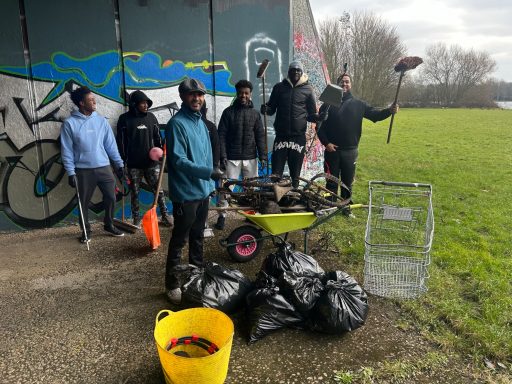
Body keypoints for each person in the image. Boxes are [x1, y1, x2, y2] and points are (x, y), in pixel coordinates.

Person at [164, 78, 222, 304]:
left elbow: (207, 157)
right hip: (186, 195)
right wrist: (209, 172)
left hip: (202, 192)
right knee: (179, 240)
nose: (196, 98)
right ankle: (171, 285)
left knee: (198, 237)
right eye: (191, 94)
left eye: (199, 94)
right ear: (183, 97)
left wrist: (210, 185)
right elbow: (178, 161)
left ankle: (196, 278)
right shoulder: (177, 124)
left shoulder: (201, 124)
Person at [317, 73, 399, 214]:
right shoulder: (327, 106)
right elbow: (319, 127)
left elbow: (375, 115)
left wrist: (389, 111)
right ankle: (329, 207)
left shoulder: (359, 104)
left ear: (351, 84)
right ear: (337, 84)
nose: (344, 84)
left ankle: (346, 208)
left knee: (347, 182)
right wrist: (326, 143)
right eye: (342, 82)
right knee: (331, 181)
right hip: (332, 151)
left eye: (347, 82)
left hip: (350, 151)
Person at [60, 86, 125, 241]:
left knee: (111, 197)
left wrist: (119, 165)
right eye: (91, 99)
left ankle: (109, 224)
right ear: (82, 103)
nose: (95, 101)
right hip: (83, 170)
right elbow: (66, 150)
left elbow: (111, 146)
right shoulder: (69, 124)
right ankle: (86, 231)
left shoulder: (101, 121)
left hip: (104, 167)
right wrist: (70, 172)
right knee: (83, 202)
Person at [215, 79, 267, 230]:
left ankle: (250, 214)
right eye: (240, 93)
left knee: (251, 189)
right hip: (231, 158)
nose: (243, 96)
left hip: (250, 158)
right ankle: (222, 216)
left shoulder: (255, 114)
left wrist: (263, 156)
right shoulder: (228, 112)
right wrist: (222, 156)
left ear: (250, 94)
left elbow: (260, 137)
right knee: (226, 189)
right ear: (237, 94)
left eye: (246, 93)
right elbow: (221, 136)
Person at [116, 90, 172, 227]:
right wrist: (123, 161)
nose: (146, 105)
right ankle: (136, 219)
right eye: (142, 103)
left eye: (147, 103)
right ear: (134, 104)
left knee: (158, 190)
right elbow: (121, 142)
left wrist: (161, 154)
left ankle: (165, 215)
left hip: (151, 163)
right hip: (133, 164)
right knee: (135, 192)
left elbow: (157, 137)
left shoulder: (151, 118)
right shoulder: (124, 119)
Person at [260, 61, 318, 188]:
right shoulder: (279, 87)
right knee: (276, 174)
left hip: (298, 137)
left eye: (298, 70)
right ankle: (275, 201)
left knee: (295, 175)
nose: (296, 72)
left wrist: (319, 117)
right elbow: (271, 109)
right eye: (293, 70)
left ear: (302, 72)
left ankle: (294, 199)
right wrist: (265, 109)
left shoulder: (308, 90)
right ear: (288, 72)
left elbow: (312, 115)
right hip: (281, 136)